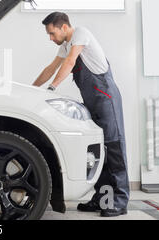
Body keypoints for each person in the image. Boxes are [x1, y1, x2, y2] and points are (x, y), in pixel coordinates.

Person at [33, 12, 129, 217]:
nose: (50, 38)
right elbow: (51, 68)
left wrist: (51, 88)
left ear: (64, 27)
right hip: (93, 101)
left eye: (52, 33)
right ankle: (103, 199)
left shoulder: (80, 34)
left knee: (114, 148)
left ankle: (120, 202)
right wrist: (31, 90)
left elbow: (69, 63)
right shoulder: (65, 45)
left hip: (106, 98)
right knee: (100, 152)